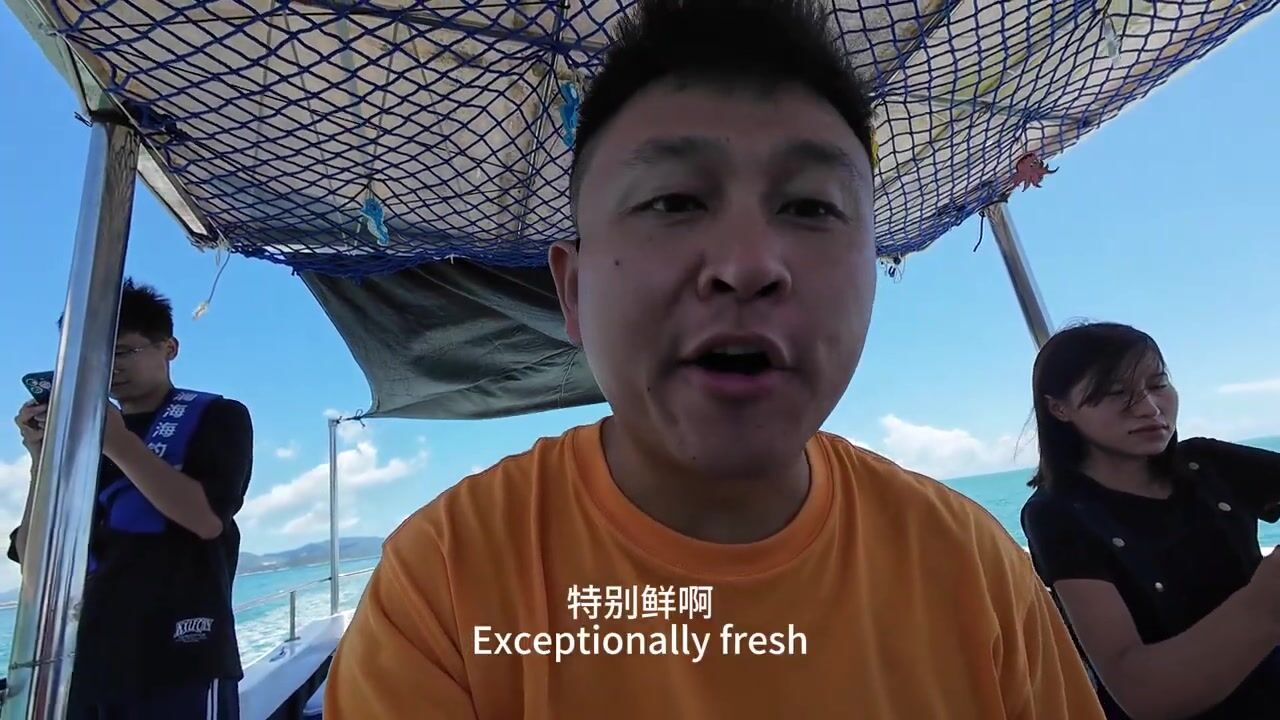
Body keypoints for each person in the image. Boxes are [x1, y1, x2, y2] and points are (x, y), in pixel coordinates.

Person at [325, 1, 1104, 717]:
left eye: (811, 206)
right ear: (574, 290)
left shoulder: (976, 575)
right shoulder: (445, 589)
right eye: (674, 200)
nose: (748, 263)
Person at [9, 279, 253, 720]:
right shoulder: (78, 442)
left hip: (182, 661)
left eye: (122, 352)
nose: (108, 367)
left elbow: (205, 520)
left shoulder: (219, 416)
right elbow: (35, 563)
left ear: (169, 348)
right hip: (84, 667)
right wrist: (41, 458)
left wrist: (118, 443)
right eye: (95, 356)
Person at [1020, 321, 1280, 719]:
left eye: (1158, 385)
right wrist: (1265, 603)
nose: (1148, 407)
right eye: (1115, 392)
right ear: (1059, 408)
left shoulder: (1207, 464)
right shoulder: (1056, 514)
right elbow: (1140, 691)